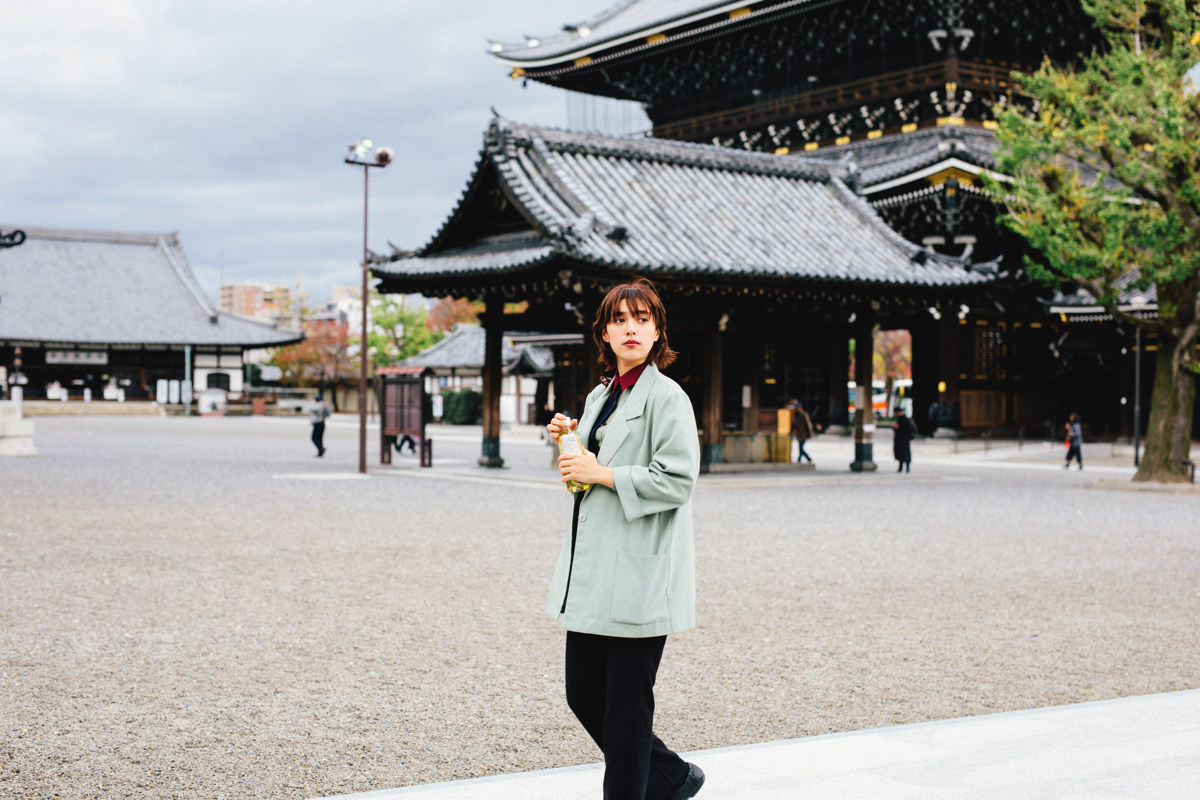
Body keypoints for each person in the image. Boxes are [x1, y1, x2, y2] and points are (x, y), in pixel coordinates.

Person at [547, 277, 705, 800]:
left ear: (658, 331)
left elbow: (678, 479)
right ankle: (673, 777)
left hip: (638, 570)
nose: (630, 329)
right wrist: (569, 444)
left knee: (627, 710)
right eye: (619, 320)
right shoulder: (601, 396)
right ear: (605, 333)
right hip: (596, 571)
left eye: (642, 319)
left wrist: (603, 473)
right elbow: (584, 474)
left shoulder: (668, 397)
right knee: (584, 694)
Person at [789, 398, 814, 463]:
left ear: (800, 407)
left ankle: (802, 459)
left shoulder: (804, 415)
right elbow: (793, 425)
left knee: (800, 447)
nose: (796, 408)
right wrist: (790, 432)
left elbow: (808, 425)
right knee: (800, 447)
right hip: (799, 434)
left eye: (797, 407)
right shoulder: (795, 415)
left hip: (804, 434)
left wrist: (810, 434)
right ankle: (805, 459)